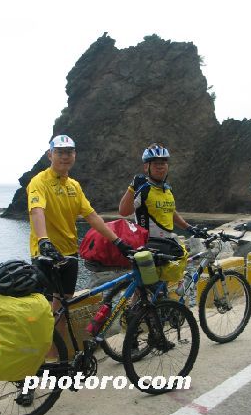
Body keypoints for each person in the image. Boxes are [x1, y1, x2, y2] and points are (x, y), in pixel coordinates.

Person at [26, 134, 133, 327]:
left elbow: (91, 216)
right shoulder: (38, 182)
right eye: (60, 152)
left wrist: (118, 242)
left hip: (69, 254)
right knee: (45, 309)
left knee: (62, 309)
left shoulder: (74, 186)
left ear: (74, 155)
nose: (65, 156)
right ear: (50, 155)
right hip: (46, 254)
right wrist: (43, 240)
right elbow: (36, 211)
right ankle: (48, 357)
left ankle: (61, 356)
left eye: (69, 152)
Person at [119, 143, 206, 287]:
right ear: (146, 167)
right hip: (148, 248)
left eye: (163, 163)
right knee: (147, 291)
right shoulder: (144, 189)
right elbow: (123, 211)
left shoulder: (167, 189)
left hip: (166, 247)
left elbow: (170, 212)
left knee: (160, 291)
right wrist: (132, 187)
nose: (160, 166)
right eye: (156, 163)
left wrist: (189, 228)